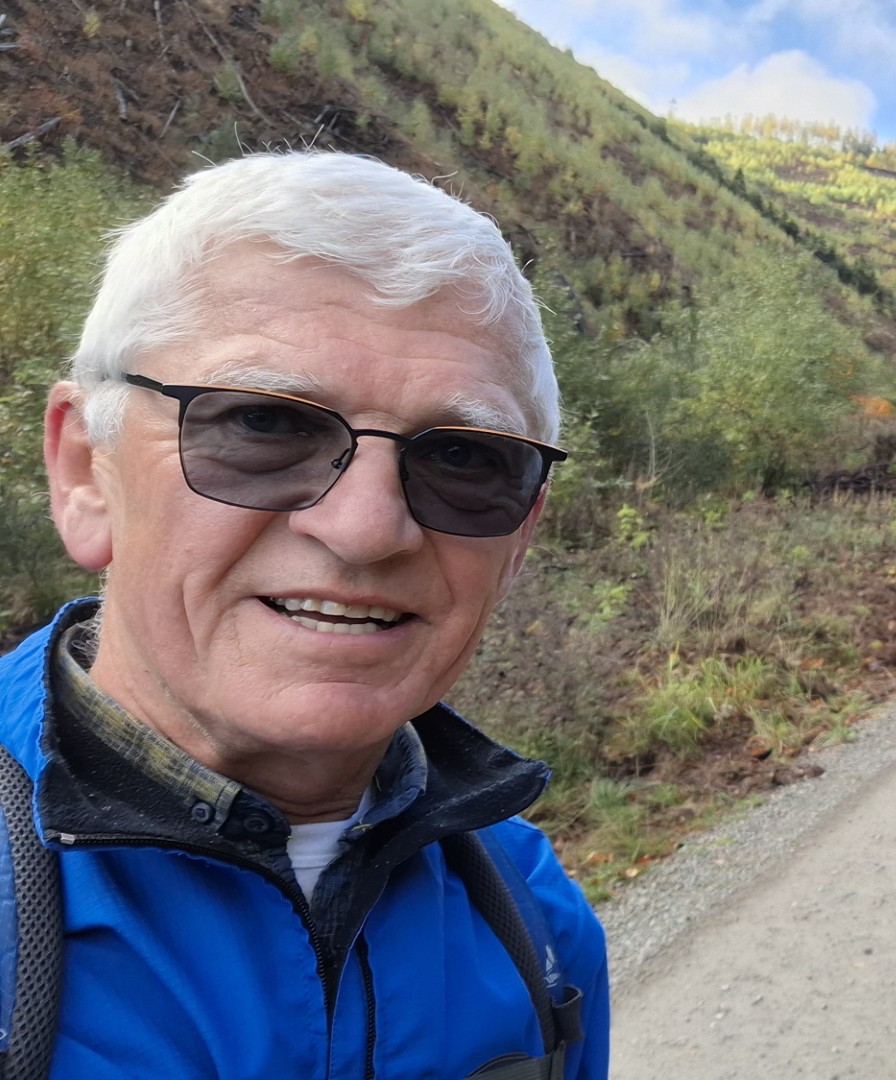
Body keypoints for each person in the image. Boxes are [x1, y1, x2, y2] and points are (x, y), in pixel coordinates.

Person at [0, 152, 609, 1078]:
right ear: (86, 470)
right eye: (265, 424)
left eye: (464, 459)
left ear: (521, 535)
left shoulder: (536, 922)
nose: (366, 529)